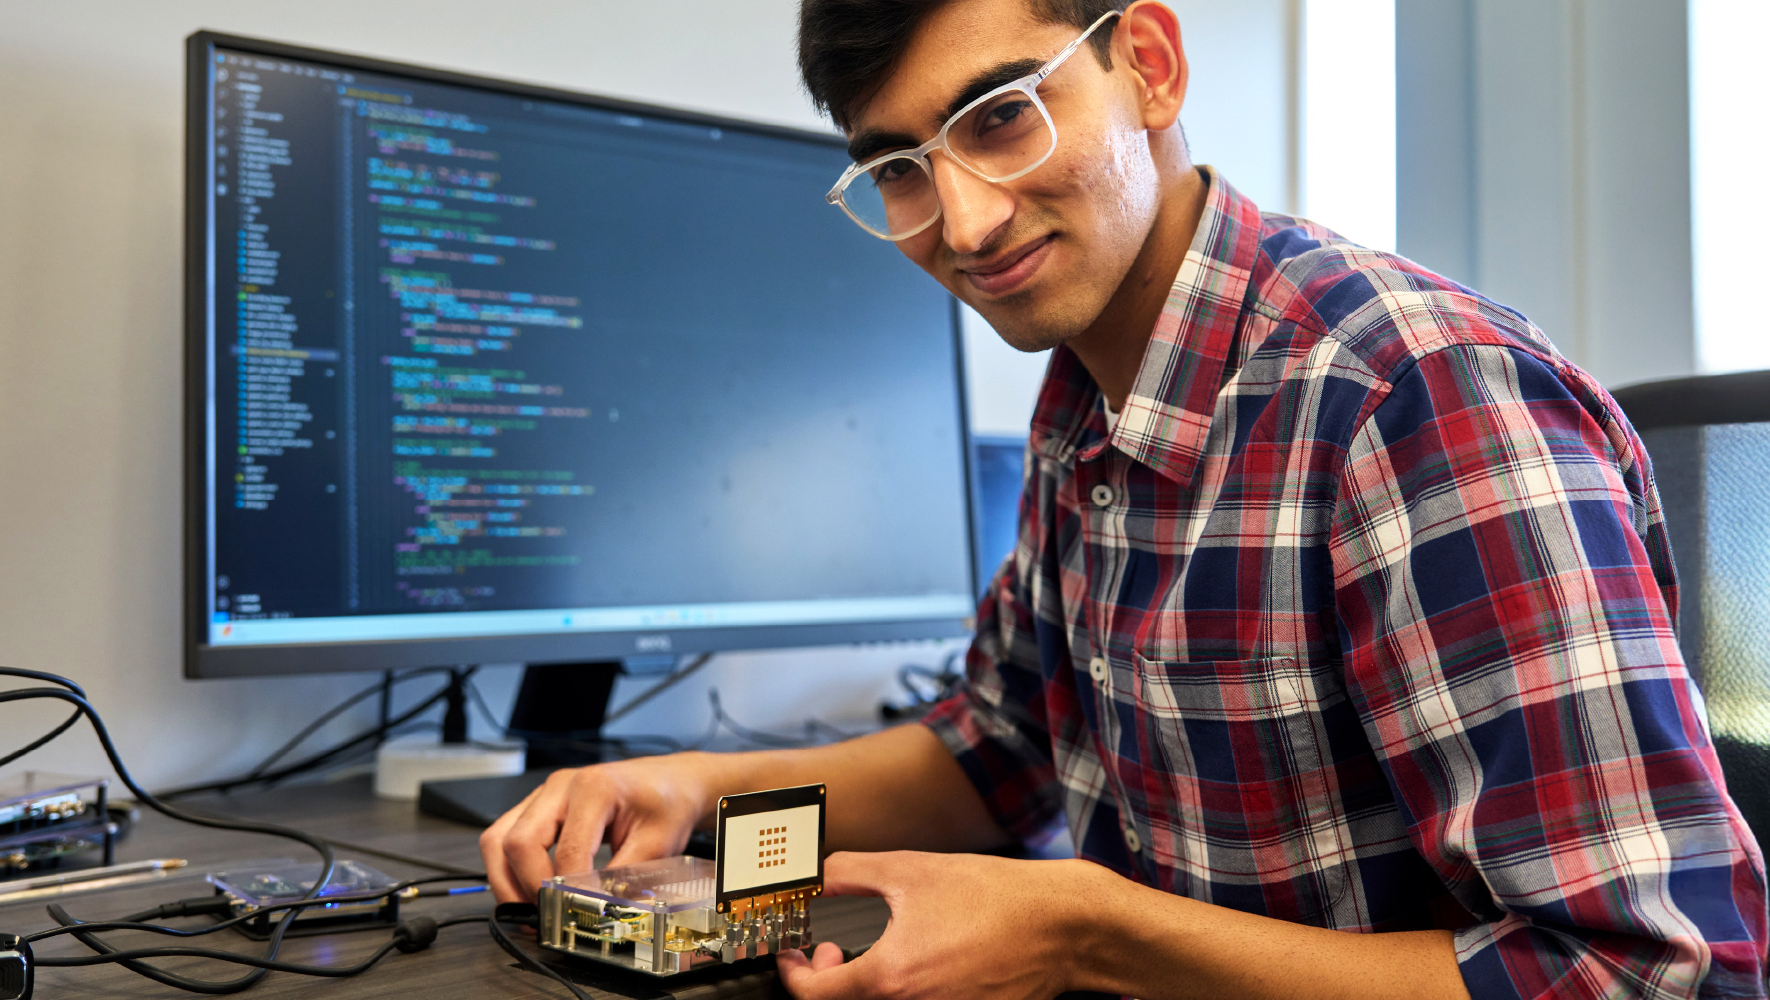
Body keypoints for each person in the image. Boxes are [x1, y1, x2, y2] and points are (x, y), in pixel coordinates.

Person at [481, 1, 1770, 996]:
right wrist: (703, 790)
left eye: (999, 116)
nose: (965, 224)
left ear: (1148, 63)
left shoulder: (1417, 403)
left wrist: (1085, 933)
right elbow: (995, 757)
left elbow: (1653, 972)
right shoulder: (1090, 399)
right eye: (899, 167)